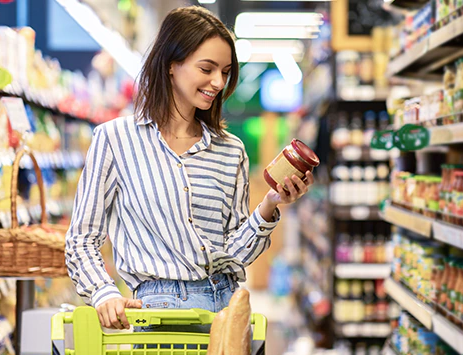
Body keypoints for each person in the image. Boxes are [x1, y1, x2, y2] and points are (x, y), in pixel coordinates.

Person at [65, 5, 314, 330]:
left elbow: (234, 254)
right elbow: (82, 239)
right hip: (157, 315)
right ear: (172, 64)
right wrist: (102, 292)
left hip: (226, 313)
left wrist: (270, 204)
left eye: (225, 71)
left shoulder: (231, 151)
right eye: (207, 68)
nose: (218, 81)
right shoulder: (115, 139)